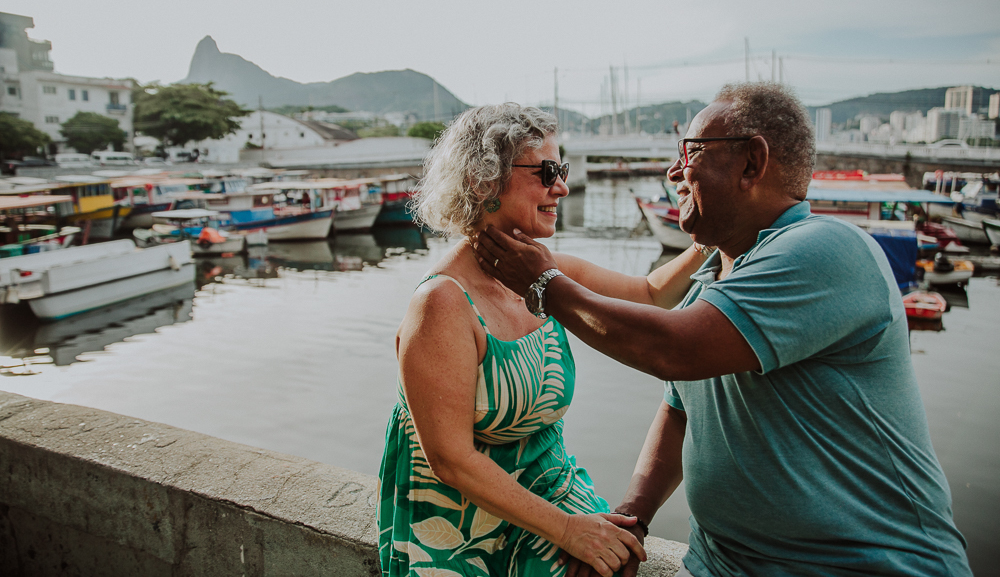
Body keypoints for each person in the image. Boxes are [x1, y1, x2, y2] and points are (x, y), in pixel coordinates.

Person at [475, 83, 972, 577]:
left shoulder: (827, 248)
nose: (674, 172)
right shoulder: (712, 282)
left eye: (689, 153)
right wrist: (632, 518)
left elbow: (673, 350)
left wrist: (544, 283)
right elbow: (678, 411)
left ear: (751, 164)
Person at [379, 103, 705, 577]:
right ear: (483, 180)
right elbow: (450, 460)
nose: (562, 186)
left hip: (548, 488)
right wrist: (570, 531)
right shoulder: (442, 303)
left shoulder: (543, 273)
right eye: (546, 171)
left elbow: (651, 293)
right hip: (459, 520)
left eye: (562, 169)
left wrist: (709, 236)